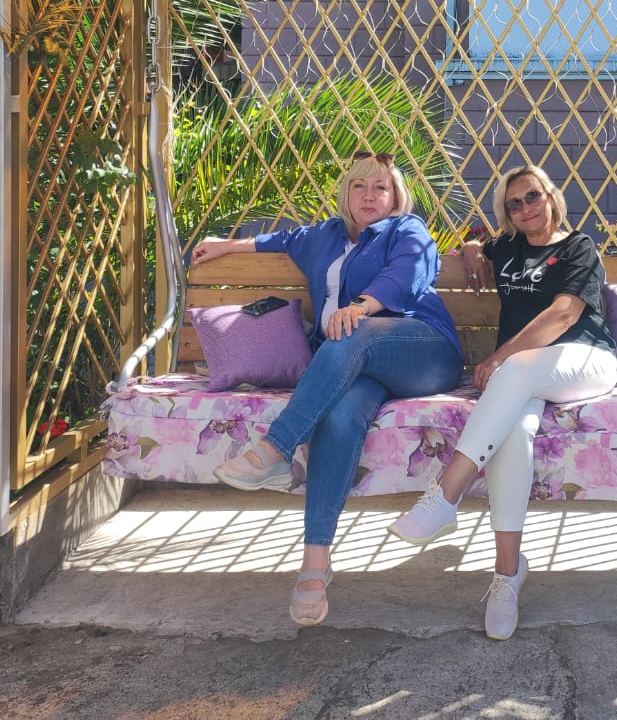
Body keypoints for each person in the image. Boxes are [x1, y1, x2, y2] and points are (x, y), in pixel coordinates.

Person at [191, 153, 462, 627]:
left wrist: (360, 307)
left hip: (422, 351)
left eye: (380, 187)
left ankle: (274, 449)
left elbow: (406, 274)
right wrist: (227, 245)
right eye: (360, 186)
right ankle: (315, 564)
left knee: (350, 331)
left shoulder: (406, 230)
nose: (369, 196)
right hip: (355, 363)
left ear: (395, 197)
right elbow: (280, 239)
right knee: (337, 417)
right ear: (346, 194)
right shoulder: (325, 236)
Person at [387, 165, 617, 639]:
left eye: (532, 197)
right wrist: (473, 248)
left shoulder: (579, 247)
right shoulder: (509, 246)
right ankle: (507, 575)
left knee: (512, 369)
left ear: (551, 197)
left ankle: (445, 495)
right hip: (525, 376)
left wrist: (499, 356)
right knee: (513, 433)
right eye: (514, 204)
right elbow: (476, 245)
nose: (524, 208)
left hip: (585, 360)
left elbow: (563, 315)